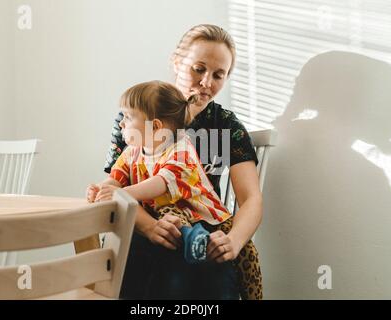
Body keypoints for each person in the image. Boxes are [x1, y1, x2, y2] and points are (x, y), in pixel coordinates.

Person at [92, 24, 263, 300]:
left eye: (218, 75)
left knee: (204, 268)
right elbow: (117, 182)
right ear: (176, 61)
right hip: (140, 223)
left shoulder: (226, 126)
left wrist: (233, 241)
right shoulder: (136, 115)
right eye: (198, 68)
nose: (207, 82)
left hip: (200, 229)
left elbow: (251, 199)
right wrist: (149, 226)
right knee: (147, 265)